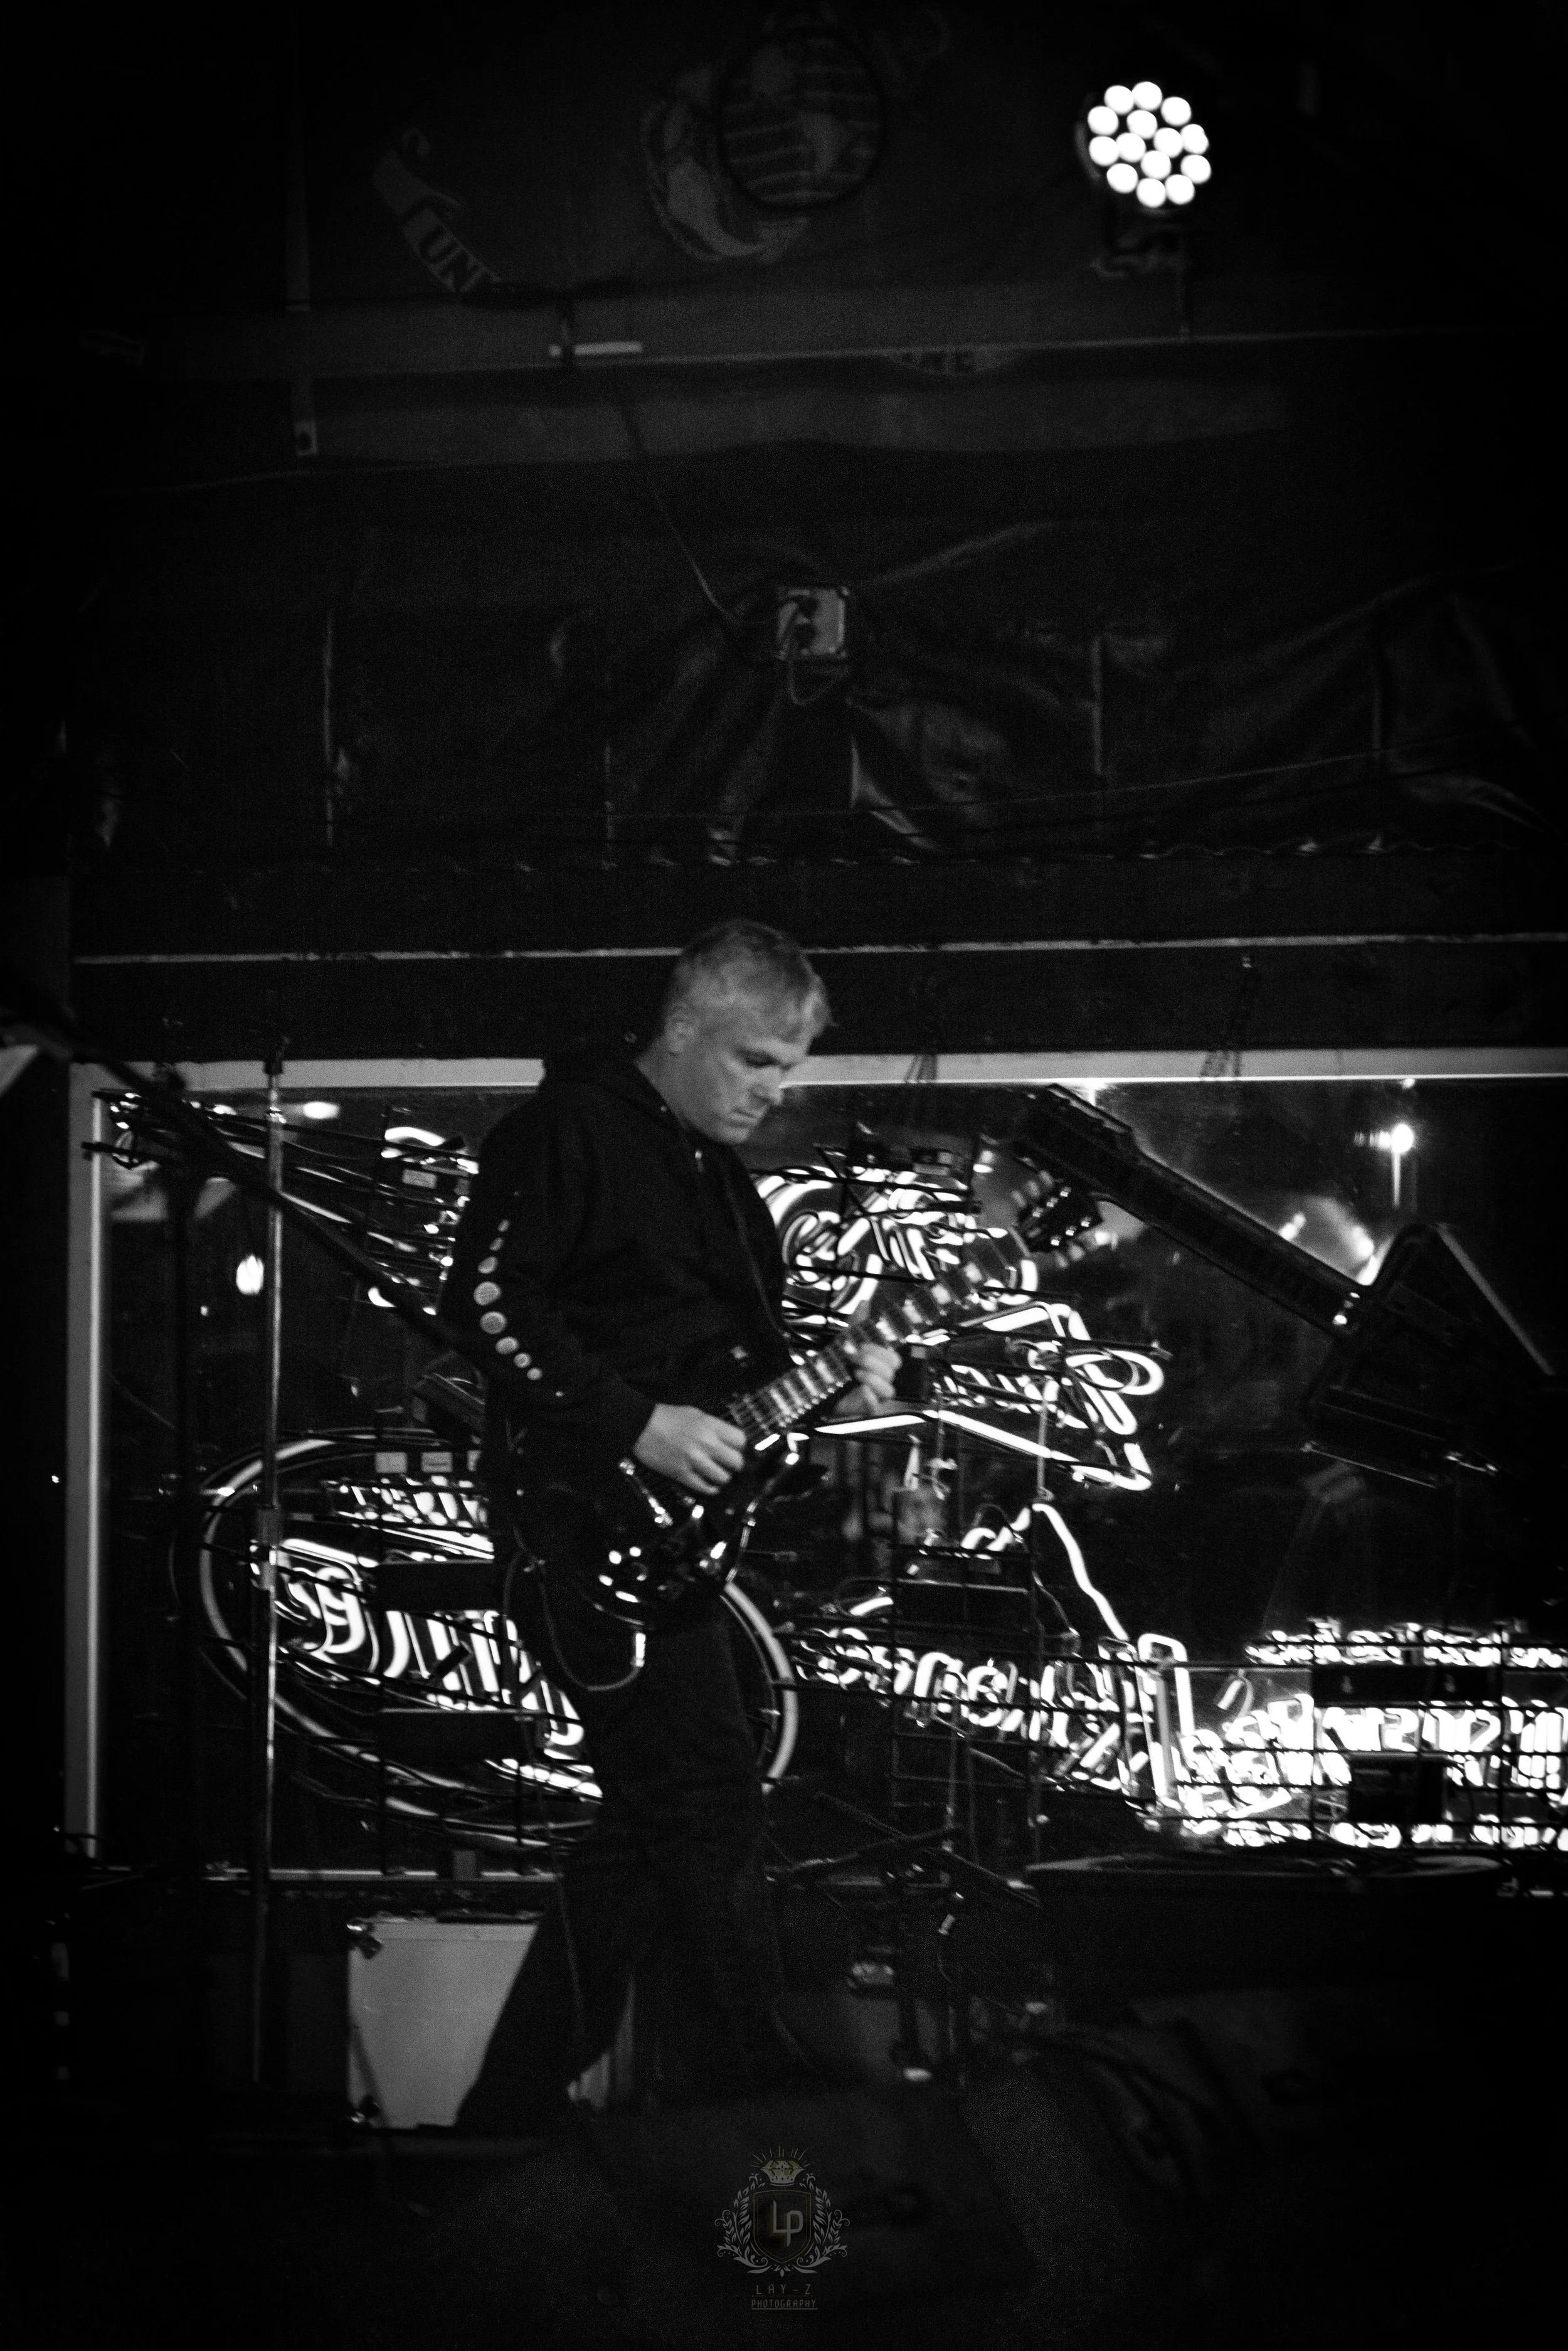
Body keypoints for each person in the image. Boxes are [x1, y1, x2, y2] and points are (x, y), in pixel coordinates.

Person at [440, 920, 899, 2131]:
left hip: (664, 1545)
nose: (771, 1091)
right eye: (755, 1060)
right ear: (684, 1027)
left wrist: (834, 1381)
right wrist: (632, 1425)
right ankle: (768, 2096)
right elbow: (480, 1301)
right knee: (705, 1797)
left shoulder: (719, 1182)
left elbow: (733, 1380)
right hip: (578, 1526)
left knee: (651, 1827)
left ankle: (508, 2115)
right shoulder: (569, 1131)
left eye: (787, 1070)